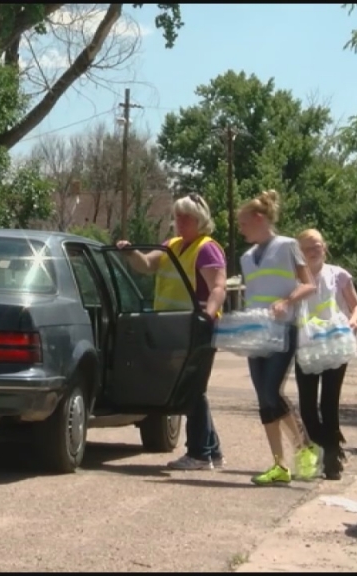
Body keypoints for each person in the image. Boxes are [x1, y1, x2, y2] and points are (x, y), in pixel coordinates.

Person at [116, 193, 228, 470]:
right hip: (174, 327)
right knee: (192, 389)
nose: (179, 222)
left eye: (186, 217)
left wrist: (208, 315)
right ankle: (210, 451)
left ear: (200, 220)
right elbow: (146, 265)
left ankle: (200, 453)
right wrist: (131, 252)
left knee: (192, 389)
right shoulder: (172, 245)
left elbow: (218, 287)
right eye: (177, 216)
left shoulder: (207, 248)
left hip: (197, 327)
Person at [236, 189, 321, 486]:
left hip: (284, 329)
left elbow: (308, 284)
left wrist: (287, 301)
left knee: (272, 391)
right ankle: (279, 465)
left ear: (259, 218)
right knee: (264, 398)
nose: (240, 228)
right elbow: (253, 296)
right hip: (256, 333)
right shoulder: (246, 258)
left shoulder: (287, 246)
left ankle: (306, 447)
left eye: (243, 223)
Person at [294, 229, 357, 480]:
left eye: (317, 246)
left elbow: (356, 305)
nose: (313, 252)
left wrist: (353, 321)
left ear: (325, 248)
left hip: (335, 344)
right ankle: (328, 446)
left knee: (329, 402)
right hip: (307, 346)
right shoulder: (294, 278)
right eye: (307, 248)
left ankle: (331, 459)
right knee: (307, 406)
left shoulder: (338, 275)